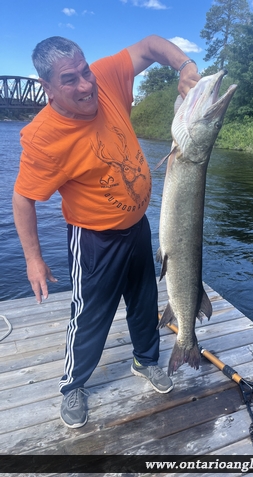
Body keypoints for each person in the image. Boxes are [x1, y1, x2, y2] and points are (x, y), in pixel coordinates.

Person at [12, 35, 201, 429]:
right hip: (94, 238)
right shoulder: (43, 136)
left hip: (138, 228)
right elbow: (23, 198)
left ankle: (146, 362)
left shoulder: (105, 77)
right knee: (90, 315)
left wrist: (184, 66)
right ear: (46, 86)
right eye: (70, 79)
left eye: (85, 71)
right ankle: (73, 386)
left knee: (144, 299)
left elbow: (150, 46)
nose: (85, 84)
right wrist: (33, 259)